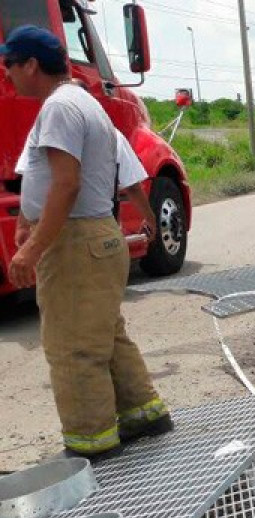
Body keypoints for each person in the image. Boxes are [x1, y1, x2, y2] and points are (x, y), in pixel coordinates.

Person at [3, 25, 171, 459]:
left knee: (72, 346)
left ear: (32, 66)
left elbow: (66, 184)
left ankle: (90, 445)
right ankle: (144, 414)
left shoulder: (59, 108)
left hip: (75, 241)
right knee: (106, 335)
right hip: (99, 237)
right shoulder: (83, 104)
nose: (7, 76)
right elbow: (46, 179)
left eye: (10, 66)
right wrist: (25, 218)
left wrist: (32, 247)